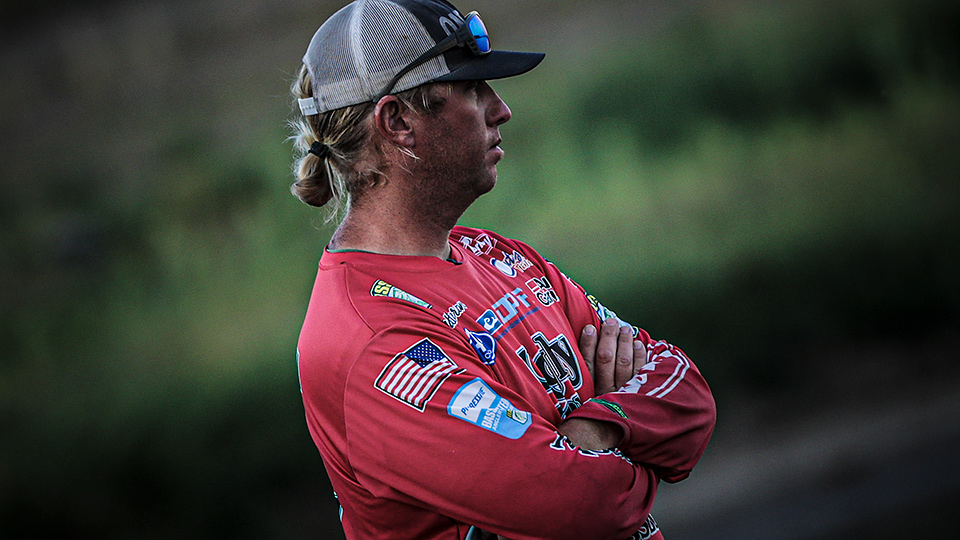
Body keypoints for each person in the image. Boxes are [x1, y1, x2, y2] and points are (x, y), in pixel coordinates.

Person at [290, 1, 716, 538]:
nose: (501, 109)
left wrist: (597, 431)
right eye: (472, 89)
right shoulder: (373, 340)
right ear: (398, 122)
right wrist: (630, 436)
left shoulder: (497, 254)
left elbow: (690, 396)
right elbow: (586, 503)